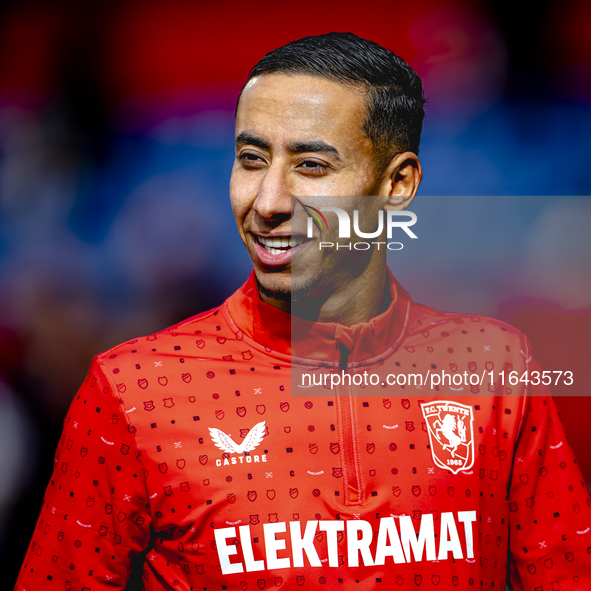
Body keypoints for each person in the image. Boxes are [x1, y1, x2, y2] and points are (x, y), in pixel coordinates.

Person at [15, 32, 590, 591]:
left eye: (311, 166)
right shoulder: (134, 389)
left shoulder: (493, 368)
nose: (267, 202)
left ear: (396, 184)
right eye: (251, 158)